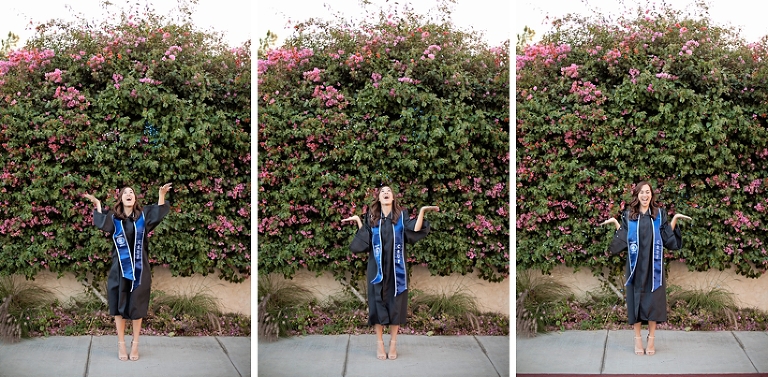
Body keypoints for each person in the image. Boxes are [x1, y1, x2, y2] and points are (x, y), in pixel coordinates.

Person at [342, 186, 438, 360]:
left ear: (393, 197)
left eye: (389, 191)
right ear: (379, 198)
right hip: (376, 269)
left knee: (396, 305)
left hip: (396, 269)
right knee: (376, 304)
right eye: (382, 191)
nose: (385, 193)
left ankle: (393, 343)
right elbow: (367, 239)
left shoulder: (401, 217)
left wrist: (423, 211)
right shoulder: (372, 217)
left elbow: (415, 229)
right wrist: (358, 220)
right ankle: (379, 343)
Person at [600, 181, 691, 356]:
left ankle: (651, 340)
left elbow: (666, 237)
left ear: (651, 195)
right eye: (641, 192)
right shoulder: (629, 215)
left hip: (654, 267)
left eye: (647, 192)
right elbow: (625, 239)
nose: (644, 195)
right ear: (637, 195)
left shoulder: (659, 214)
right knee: (635, 301)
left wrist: (675, 219)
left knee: (654, 302)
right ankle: (637, 340)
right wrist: (615, 223)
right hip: (635, 267)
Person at [83, 183, 172, 361]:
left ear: (135, 198)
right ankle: (121, 344)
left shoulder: (143, 216)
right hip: (119, 269)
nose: (129, 194)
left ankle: (135, 344)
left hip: (140, 269)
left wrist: (161, 195)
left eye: (132, 192)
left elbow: (158, 213)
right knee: (118, 304)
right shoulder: (115, 219)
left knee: (137, 304)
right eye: (125, 193)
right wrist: (98, 204)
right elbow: (102, 220)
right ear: (121, 198)